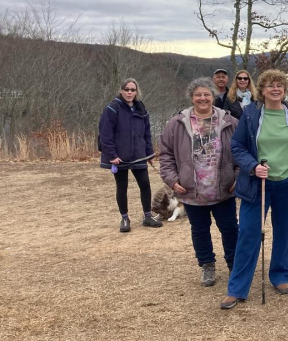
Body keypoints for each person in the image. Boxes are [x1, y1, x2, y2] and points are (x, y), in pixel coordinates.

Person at [220, 70, 288, 309]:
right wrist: (253, 167)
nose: (276, 89)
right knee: (248, 233)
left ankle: (280, 275)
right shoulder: (251, 114)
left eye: (280, 85)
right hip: (258, 184)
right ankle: (237, 288)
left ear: (285, 90)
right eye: (271, 86)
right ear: (262, 90)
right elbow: (237, 146)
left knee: (283, 231)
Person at [158, 78, 239, 287]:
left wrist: (238, 177)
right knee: (200, 230)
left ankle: (235, 265)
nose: (202, 98)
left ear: (213, 97)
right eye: (198, 95)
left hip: (224, 188)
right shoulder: (176, 124)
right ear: (191, 97)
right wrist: (172, 180)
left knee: (230, 228)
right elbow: (165, 155)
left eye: (206, 94)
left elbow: (242, 151)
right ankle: (207, 266)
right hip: (191, 191)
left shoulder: (229, 122)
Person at [98, 78, 162, 232]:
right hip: (120, 157)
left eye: (133, 90)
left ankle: (147, 216)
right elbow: (105, 134)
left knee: (145, 185)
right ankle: (125, 218)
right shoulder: (112, 108)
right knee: (122, 187)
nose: (129, 92)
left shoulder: (141, 109)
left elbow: (147, 132)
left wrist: (149, 152)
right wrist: (112, 155)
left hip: (138, 155)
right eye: (126, 89)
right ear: (121, 91)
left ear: (136, 92)